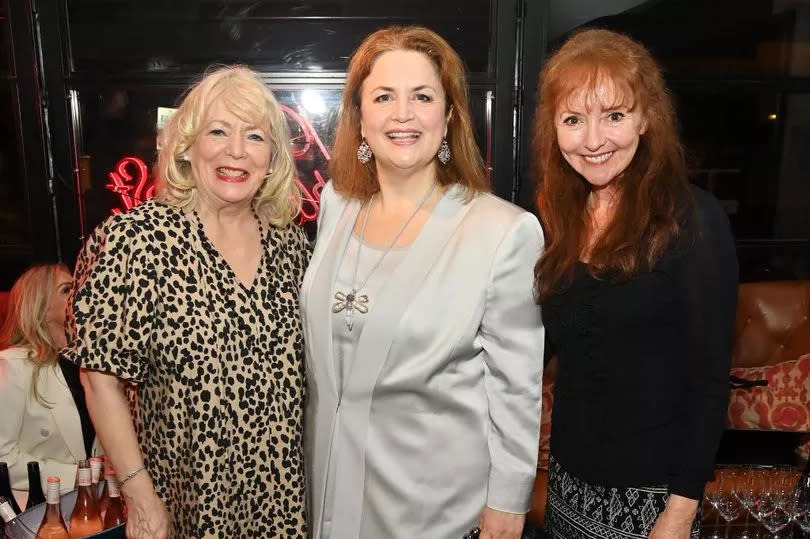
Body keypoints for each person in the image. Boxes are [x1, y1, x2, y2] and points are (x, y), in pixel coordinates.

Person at [301, 26, 544, 539]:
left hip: (434, 509)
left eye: (422, 96)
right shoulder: (336, 207)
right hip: (326, 494)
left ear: (450, 113)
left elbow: (515, 387)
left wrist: (508, 500)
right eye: (384, 96)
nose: (403, 114)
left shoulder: (502, 231)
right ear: (360, 118)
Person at [62, 65, 310, 538]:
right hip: (182, 504)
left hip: (284, 505)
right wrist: (139, 496)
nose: (236, 151)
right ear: (187, 145)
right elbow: (99, 380)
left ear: (273, 157)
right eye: (218, 131)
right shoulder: (136, 241)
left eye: (255, 137)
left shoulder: (291, 247)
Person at [532, 29, 738, 538]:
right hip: (567, 486)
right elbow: (539, 349)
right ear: (554, 128)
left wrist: (681, 510)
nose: (594, 140)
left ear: (645, 118)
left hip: (651, 500)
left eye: (614, 116)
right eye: (574, 120)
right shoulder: (553, 216)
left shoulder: (692, 218)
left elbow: (709, 379)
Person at [0, 264, 99, 509]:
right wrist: (75, 476)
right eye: (67, 289)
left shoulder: (90, 364)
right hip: (40, 513)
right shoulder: (12, 366)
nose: (79, 293)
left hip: (94, 507)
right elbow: (2, 459)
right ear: (40, 309)